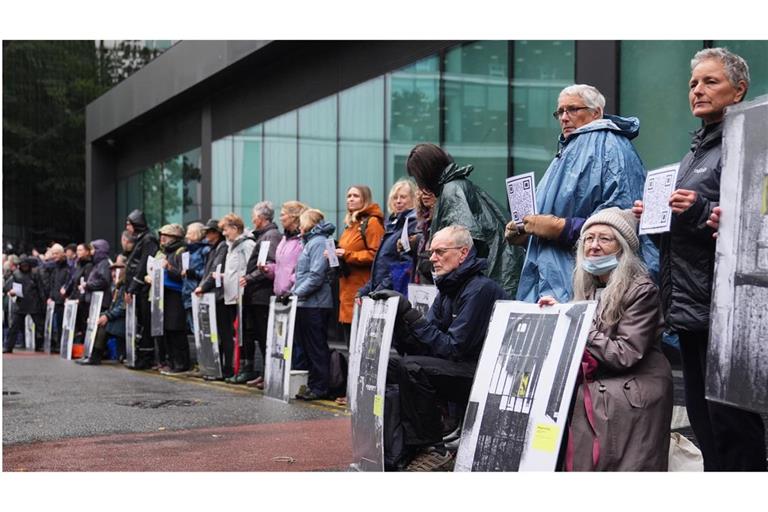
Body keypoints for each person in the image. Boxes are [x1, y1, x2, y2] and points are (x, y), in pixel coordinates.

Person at [633, 48, 765, 471]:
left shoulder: (754, 142)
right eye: (693, 83)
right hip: (690, 306)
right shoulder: (694, 153)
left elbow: (752, 223)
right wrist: (655, 217)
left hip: (727, 310)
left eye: (711, 81)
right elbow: (694, 222)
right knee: (706, 423)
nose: (698, 90)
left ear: (739, 89)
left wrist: (698, 211)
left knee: (733, 428)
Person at [539, 208, 672, 470]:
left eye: (604, 239)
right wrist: (557, 314)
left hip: (636, 383)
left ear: (622, 249)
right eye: (588, 239)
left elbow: (624, 354)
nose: (594, 246)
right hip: (606, 376)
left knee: (574, 401)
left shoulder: (641, 290)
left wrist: (576, 319)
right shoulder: (588, 286)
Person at [371, 225, 508, 470]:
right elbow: (425, 344)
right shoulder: (448, 288)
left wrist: (411, 315)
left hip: (485, 375)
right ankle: (398, 447)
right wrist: (399, 322)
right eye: (431, 252)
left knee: (413, 368)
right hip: (459, 365)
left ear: (463, 253)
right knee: (390, 365)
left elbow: (453, 348)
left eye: (440, 252)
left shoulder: (480, 289)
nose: (432, 258)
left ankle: (432, 447)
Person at [508, 84, 658, 304]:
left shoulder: (610, 145)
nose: (564, 118)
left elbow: (622, 219)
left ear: (596, 112)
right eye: (560, 112)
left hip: (586, 280)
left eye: (572, 109)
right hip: (552, 277)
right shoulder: (569, 150)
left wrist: (563, 228)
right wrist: (524, 231)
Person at [406, 143, 521, 296]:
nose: (419, 186)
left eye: (417, 178)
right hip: (500, 275)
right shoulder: (456, 186)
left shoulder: (452, 191)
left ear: (426, 173)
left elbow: (463, 246)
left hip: (491, 281)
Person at [253, 200, 308, 387]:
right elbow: (281, 267)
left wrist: (291, 284)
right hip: (280, 297)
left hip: (293, 295)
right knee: (283, 341)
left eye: (284, 214)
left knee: (296, 342)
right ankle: (282, 379)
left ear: (293, 217)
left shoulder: (301, 240)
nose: (281, 217)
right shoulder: (285, 239)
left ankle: (296, 381)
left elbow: (300, 268)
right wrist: (267, 269)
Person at [282, 208, 336, 401]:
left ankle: (320, 387)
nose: (299, 226)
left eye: (302, 222)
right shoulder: (310, 242)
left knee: (316, 346)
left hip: (316, 304)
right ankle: (314, 385)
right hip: (307, 303)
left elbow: (316, 276)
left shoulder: (318, 242)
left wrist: (294, 293)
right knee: (310, 347)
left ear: (309, 223)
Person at [235, 201, 281, 384]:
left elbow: (268, 265)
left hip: (262, 295)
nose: (252, 219)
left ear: (261, 218)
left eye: (254, 216)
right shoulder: (265, 236)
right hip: (256, 295)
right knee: (259, 336)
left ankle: (269, 376)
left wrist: (250, 278)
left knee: (264, 336)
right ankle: (265, 374)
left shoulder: (270, 236)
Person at [335, 185, 385, 347]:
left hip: (361, 291)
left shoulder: (372, 223)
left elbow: (377, 255)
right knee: (351, 346)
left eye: (355, 196)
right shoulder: (351, 225)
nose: (350, 199)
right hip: (346, 292)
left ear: (365, 199)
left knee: (360, 346)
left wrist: (346, 254)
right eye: (349, 195)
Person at [359, 179, 419, 297]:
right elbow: (383, 265)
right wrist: (365, 290)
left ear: (413, 199)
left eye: (403, 197)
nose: (398, 201)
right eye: (395, 197)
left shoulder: (411, 224)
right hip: (383, 290)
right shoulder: (391, 224)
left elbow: (405, 265)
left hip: (395, 292)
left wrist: (380, 289)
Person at [194, 219, 230, 379]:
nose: (208, 235)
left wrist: (203, 286)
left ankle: (225, 369)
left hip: (220, 295)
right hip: (213, 295)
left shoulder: (222, 247)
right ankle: (216, 368)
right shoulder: (213, 249)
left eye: (210, 231)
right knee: (216, 334)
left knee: (223, 334)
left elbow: (215, 269)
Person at [123, 209, 159, 369]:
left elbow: (144, 264)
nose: (127, 226)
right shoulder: (142, 239)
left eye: (129, 223)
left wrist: (132, 288)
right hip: (139, 289)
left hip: (143, 289)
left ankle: (146, 357)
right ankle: (140, 356)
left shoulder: (148, 239)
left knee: (145, 323)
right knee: (141, 323)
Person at [153, 224, 189, 374]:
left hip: (176, 294)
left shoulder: (181, 251)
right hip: (165, 293)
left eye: (166, 236)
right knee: (168, 329)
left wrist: (169, 268)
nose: (162, 238)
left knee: (176, 329)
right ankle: (172, 362)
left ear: (175, 237)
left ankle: (181, 363)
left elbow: (183, 275)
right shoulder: (166, 252)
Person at [76, 240, 113, 365]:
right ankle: (90, 354)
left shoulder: (103, 264)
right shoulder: (98, 264)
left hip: (101, 302)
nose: (91, 252)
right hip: (95, 301)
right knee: (92, 329)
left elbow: (104, 281)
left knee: (99, 330)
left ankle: (95, 356)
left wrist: (88, 285)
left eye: (93, 249)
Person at [3, 257, 46, 353]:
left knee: (39, 326)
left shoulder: (34, 274)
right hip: (21, 303)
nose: (24, 267)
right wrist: (11, 291)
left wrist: (43, 301)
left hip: (33, 302)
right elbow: (7, 287)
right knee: (14, 326)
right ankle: (8, 346)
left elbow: (41, 288)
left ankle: (39, 345)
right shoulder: (16, 274)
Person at [181, 222, 210, 333]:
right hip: (188, 294)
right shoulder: (187, 251)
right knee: (195, 330)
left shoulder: (205, 250)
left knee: (202, 330)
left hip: (199, 294)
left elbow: (207, 273)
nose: (186, 236)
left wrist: (192, 273)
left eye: (189, 233)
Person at [45, 243, 69, 352]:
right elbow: (53, 284)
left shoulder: (67, 267)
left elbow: (69, 282)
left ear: (61, 253)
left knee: (62, 325)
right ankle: (57, 344)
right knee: (55, 325)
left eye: (56, 254)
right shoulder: (55, 268)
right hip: (55, 301)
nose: (54, 256)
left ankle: (61, 345)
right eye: (53, 253)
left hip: (63, 301)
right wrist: (50, 297)